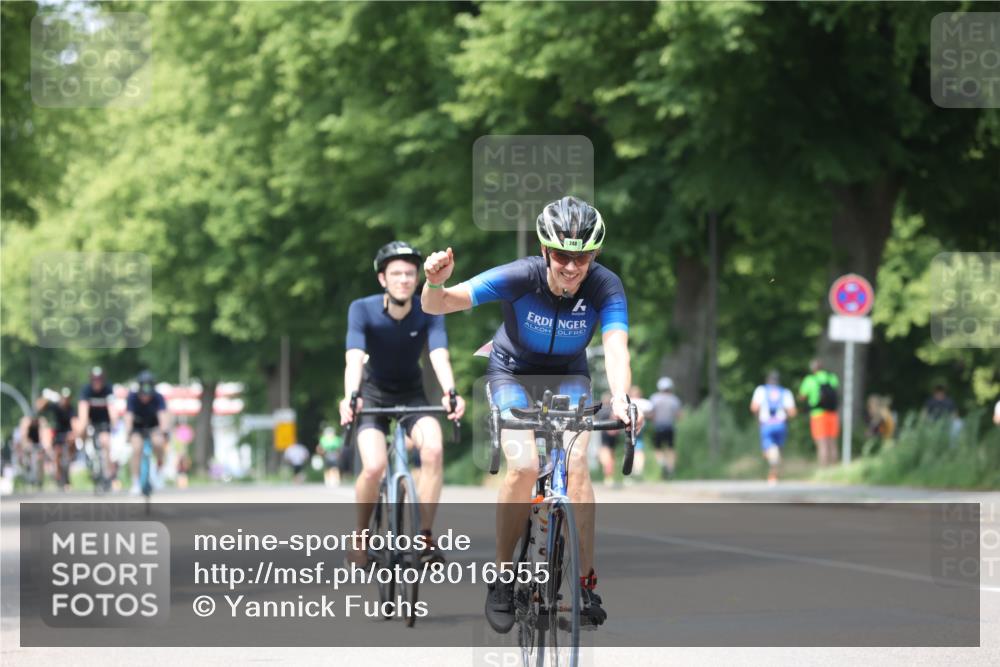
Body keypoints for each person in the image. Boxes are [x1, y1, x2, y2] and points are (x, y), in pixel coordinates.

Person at [422, 195, 643, 631]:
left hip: (569, 377)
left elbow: (617, 346)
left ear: (594, 255)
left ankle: (584, 583)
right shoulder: (520, 276)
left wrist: (621, 397)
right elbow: (440, 304)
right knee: (524, 465)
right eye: (562, 255)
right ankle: (503, 577)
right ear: (545, 251)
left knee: (577, 465)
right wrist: (434, 283)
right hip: (512, 374)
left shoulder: (605, 286)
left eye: (582, 257)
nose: (572, 267)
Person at [339, 241, 466, 566]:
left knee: (434, 450)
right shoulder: (361, 309)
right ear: (383, 279)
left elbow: (438, 354)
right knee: (373, 466)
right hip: (373, 395)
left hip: (412, 395)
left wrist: (451, 392)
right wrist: (350, 397)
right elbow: (353, 359)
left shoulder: (429, 309)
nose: (404, 280)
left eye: (410, 274)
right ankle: (360, 535)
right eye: (396, 274)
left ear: (417, 279)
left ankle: (425, 536)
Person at [125, 371, 170, 495]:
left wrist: (164, 431)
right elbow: (128, 416)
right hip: (137, 428)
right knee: (136, 449)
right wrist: (128, 432)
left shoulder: (158, 397)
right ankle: (136, 482)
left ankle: (159, 471)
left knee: (158, 443)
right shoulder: (132, 397)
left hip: (153, 426)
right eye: (143, 395)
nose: (145, 397)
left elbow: (162, 416)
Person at [750, 371, 797, 485]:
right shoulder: (785, 392)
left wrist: (758, 418)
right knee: (778, 449)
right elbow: (792, 412)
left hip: (766, 424)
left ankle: (773, 474)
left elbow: (754, 407)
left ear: (767, 380)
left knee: (769, 449)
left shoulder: (761, 390)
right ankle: (774, 472)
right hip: (781, 424)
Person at [79, 367, 116, 485]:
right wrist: (83, 426)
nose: (97, 382)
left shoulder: (108, 389)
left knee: (105, 442)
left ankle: (107, 473)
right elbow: (83, 409)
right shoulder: (86, 390)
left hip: (104, 421)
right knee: (81, 428)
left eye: (99, 379)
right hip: (90, 420)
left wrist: (114, 422)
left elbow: (112, 409)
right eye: (95, 379)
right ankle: (84, 451)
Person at [798, 359, 840, 466]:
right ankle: (834, 468)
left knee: (822, 443)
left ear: (813, 369)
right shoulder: (832, 377)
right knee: (832, 442)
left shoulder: (810, 380)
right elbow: (836, 390)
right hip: (832, 413)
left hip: (818, 415)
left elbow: (802, 396)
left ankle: (824, 469)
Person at [38, 388, 78, 490]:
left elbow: (74, 422)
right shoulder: (55, 407)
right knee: (57, 454)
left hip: (68, 434)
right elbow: (40, 406)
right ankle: (58, 477)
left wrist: (73, 433)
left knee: (71, 442)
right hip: (58, 434)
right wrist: (47, 397)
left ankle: (70, 459)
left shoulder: (71, 409)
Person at [649, 377, 682, 478]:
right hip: (669, 427)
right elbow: (679, 415)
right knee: (671, 448)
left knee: (657, 448)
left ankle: (662, 463)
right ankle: (670, 469)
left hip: (658, 427)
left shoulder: (654, 398)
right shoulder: (674, 399)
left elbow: (651, 414)